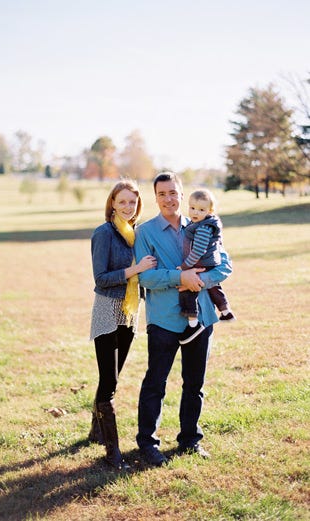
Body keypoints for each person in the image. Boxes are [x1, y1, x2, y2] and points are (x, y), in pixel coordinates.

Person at [134, 172, 233, 466]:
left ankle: (190, 440)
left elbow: (225, 265)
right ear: (155, 198)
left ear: (181, 194)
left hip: (201, 317)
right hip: (164, 319)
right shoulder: (146, 233)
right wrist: (180, 276)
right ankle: (148, 443)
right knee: (156, 382)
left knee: (194, 384)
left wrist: (199, 281)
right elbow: (146, 277)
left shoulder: (202, 223)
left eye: (173, 193)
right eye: (162, 194)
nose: (168, 199)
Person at [89, 180, 157, 469]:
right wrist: (136, 269)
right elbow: (101, 279)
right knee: (109, 381)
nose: (128, 207)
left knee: (113, 375)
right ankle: (112, 452)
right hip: (107, 310)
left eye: (133, 202)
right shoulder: (104, 233)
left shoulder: (137, 235)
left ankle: (96, 431)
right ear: (113, 203)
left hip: (130, 312)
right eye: (123, 201)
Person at [177, 188, 235, 344]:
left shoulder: (203, 228)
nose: (195, 212)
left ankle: (193, 323)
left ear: (210, 211)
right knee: (214, 286)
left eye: (201, 210)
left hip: (202, 262)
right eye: (192, 208)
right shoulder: (202, 223)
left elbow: (198, 251)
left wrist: (185, 266)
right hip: (209, 262)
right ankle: (225, 310)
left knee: (189, 288)